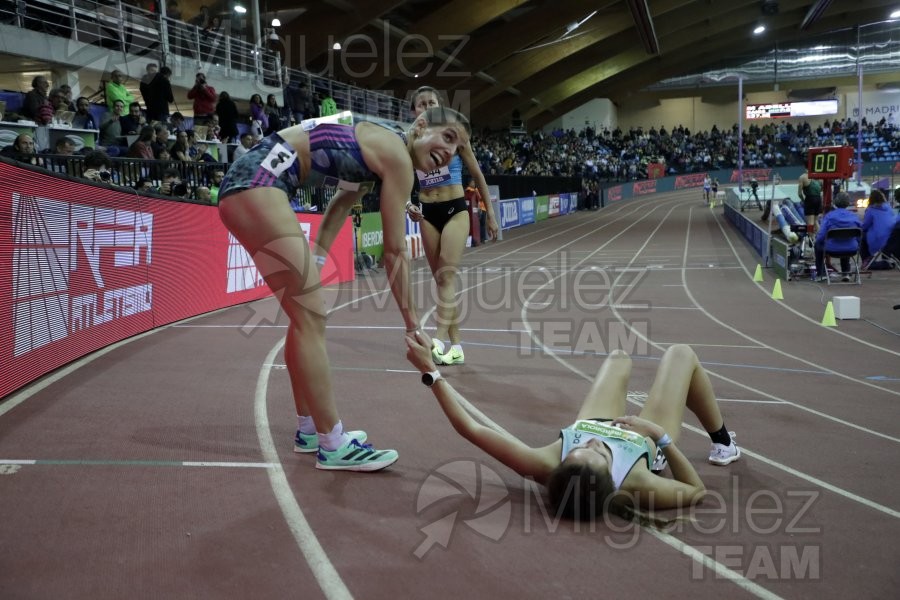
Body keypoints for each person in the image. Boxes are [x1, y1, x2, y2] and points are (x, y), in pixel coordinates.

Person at [216, 106, 472, 471]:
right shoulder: (398, 157)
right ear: (420, 126)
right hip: (259, 185)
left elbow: (341, 204)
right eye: (447, 137)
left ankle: (308, 429)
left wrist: (317, 262)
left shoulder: (378, 147)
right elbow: (395, 250)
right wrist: (413, 325)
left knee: (303, 314)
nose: (449, 152)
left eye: (457, 149)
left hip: (251, 184)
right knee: (311, 315)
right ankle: (332, 444)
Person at [405, 333, 740, 522]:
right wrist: (660, 436)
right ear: (613, 478)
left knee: (620, 356)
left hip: (593, 417)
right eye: (600, 455)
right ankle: (723, 443)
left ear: (564, 462)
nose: (594, 445)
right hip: (642, 438)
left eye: (582, 449)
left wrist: (431, 372)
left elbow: (470, 429)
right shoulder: (636, 482)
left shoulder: (545, 464)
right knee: (680, 351)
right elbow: (695, 490)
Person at [405, 86, 498, 367]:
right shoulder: (410, 140)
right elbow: (401, 179)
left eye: (432, 102)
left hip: (455, 209)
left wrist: (490, 213)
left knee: (445, 276)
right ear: (414, 111)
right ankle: (456, 347)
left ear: (441, 106)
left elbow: (477, 174)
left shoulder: (454, 135)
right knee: (441, 281)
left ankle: (438, 339)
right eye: (421, 104)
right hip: (427, 213)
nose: (427, 106)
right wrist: (407, 205)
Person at [814, 191, 861, 282]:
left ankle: (821, 273)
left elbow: (821, 236)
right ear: (847, 203)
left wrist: (818, 240)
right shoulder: (854, 217)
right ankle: (845, 272)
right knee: (847, 240)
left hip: (832, 249)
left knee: (818, 245)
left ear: (835, 202)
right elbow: (860, 235)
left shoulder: (829, 217)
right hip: (852, 249)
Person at [860, 188, 895, 268]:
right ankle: (886, 260)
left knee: (862, 236)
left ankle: (866, 260)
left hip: (878, 240)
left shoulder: (870, 210)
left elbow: (865, 226)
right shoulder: (889, 208)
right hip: (891, 239)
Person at [797, 169, 823, 235]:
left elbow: (799, 193)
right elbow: (821, 189)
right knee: (815, 221)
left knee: (810, 222)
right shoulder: (819, 177)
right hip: (818, 199)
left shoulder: (802, 177)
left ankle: (811, 240)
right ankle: (820, 238)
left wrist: (803, 200)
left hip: (810, 199)